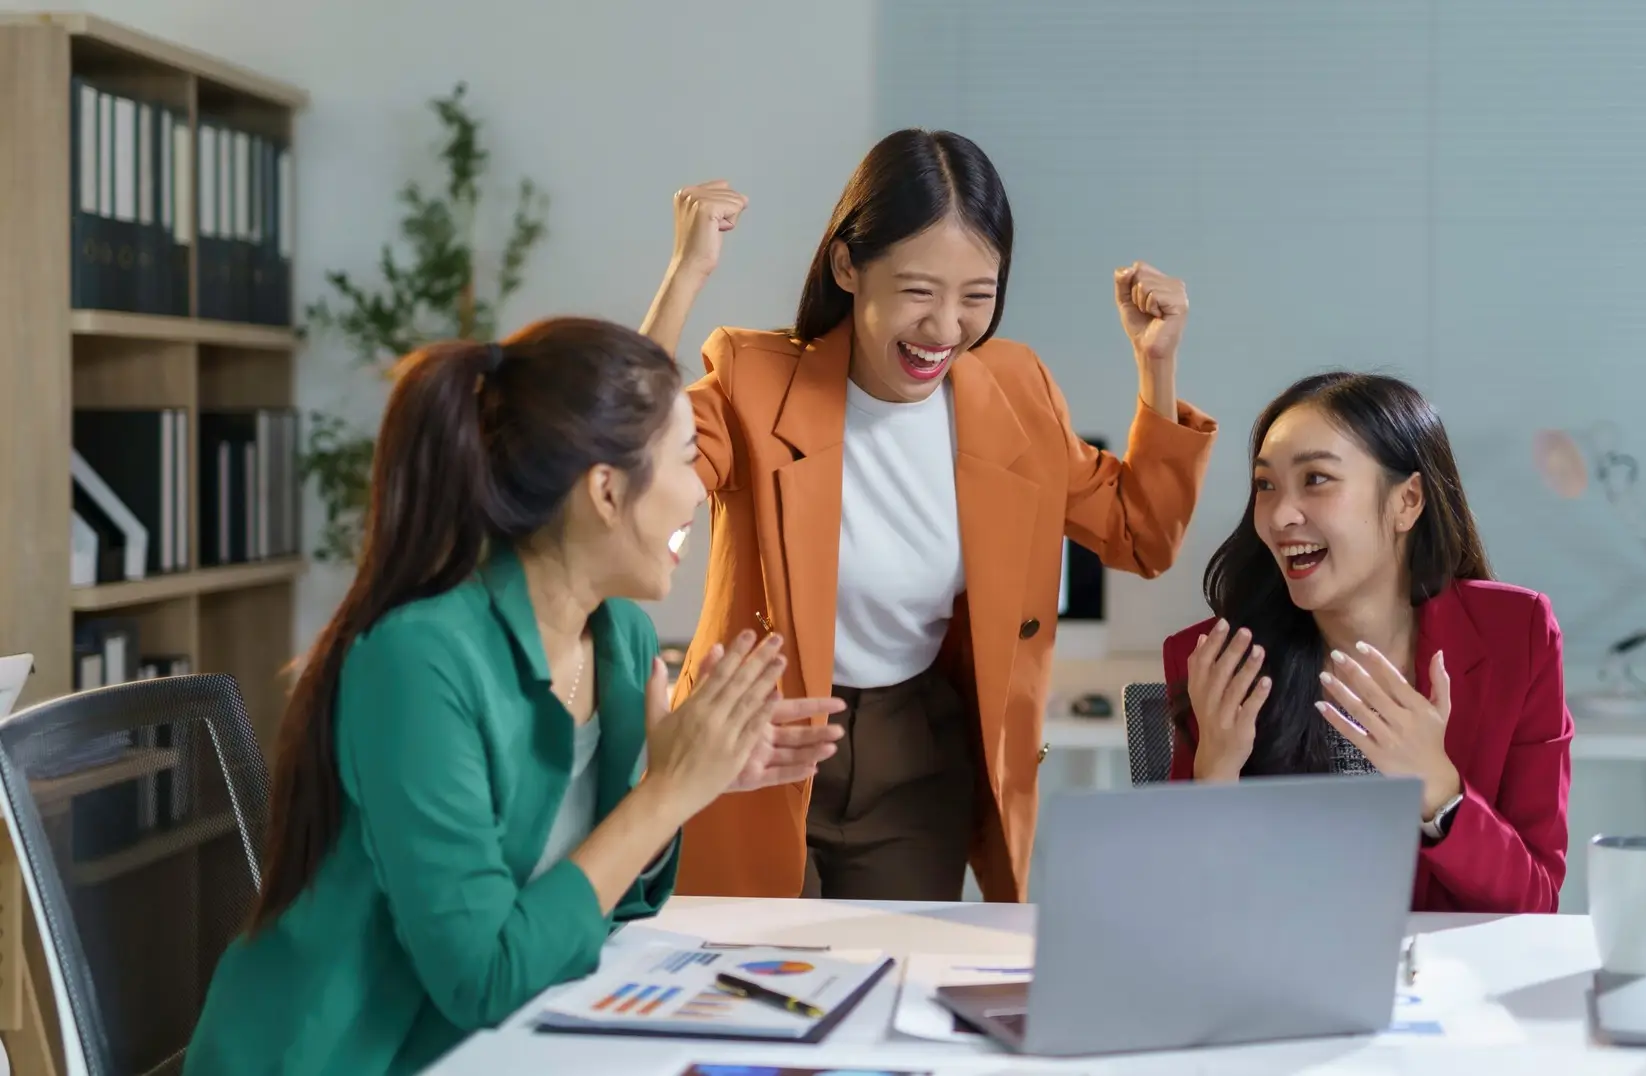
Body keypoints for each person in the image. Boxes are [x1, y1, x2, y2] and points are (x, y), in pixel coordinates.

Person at [184, 318, 845, 1075]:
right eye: (687, 458)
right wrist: (664, 793)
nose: (701, 488)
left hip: (508, 1045)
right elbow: (483, 977)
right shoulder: (418, 662)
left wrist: (686, 782)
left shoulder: (621, 639)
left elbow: (605, 908)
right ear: (605, 490)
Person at [637, 129, 1219, 903]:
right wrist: (685, 278)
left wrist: (1156, 365)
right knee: (744, 985)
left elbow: (1140, 533)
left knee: (894, 991)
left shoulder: (1015, 390)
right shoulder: (754, 378)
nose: (945, 328)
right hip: (758, 742)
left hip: (918, 760)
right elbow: (626, 477)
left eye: (977, 296)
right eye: (918, 292)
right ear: (849, 265)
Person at [1160, 371, 1572, 914]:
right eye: (1266, 486)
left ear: (1408, 501)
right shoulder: (1218, 660)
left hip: (1452, 988)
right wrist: (1215, 772)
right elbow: (1180, 916)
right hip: (1280, 986)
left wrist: (1441, 793)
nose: (1281, 515)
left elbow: (1535, 902)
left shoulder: (1516, 635)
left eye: (1316, 480)